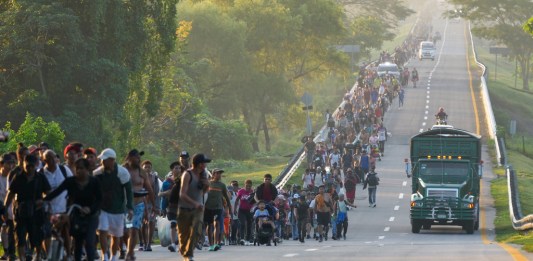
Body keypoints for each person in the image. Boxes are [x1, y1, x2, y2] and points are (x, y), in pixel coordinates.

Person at [44, 158, 102, 261]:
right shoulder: (70, 181)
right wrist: (43, 200)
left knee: (89, 241)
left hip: (91, 215)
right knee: (78, 241)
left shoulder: (94, 182)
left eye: (81, 168)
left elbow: (99, 200)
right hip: (76, 214)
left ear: (87, 169)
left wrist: (90, 209)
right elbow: (57, 192)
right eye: (77, 168)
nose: (78, 170)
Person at [4, 154, 51, 261]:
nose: (29, 168)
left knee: (37, 237)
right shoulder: (18, 177)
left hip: (37, 211)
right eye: (27, 165)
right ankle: (22, 258)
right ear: (24, 163)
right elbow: (10, 194)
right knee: (20, 237)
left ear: (36, 165)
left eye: (31, 166)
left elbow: (49, 193)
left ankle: (38, 256)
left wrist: (43, 201)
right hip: (21, 211)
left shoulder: (40, 178)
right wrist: (5, 208)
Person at [94, 148, 134, 261]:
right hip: (103, 208)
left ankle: (113, 256)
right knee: (102, 230)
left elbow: (129, 190)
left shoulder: (122, 172)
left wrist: (130, 208)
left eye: (104, 160)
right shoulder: (98, 173)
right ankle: (105, 256)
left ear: (112, 160)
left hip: (118, 209)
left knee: (116, 235)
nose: (102, 162)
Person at [41, 150, 74, 260]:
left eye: (54, 157)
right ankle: (50, 256)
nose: (53, 160)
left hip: (63, 207)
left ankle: (68, 254)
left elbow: (72, 186)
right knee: (47, 233)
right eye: (49, 158)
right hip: (47, 209)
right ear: (45, 160)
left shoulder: (64, 170)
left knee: (65, 232)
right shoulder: (41, 173)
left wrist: (70, 204)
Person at [123, 149, 155, 261]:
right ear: (130, 158)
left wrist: (153, 207)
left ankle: (130, 253)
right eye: (136, 157)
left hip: (139, 204)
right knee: (126, 231)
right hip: (126, 205)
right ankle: (127, 248)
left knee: (134, 229)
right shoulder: (122, 170)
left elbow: (149, 190)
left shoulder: (142, 173)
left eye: (139, 157)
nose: (139, 159)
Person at [177, 153, 210, 261]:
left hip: (198, 210)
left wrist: (207, 185)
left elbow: (202, 192)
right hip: (184, 209)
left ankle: (189, 254)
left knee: (197, 229)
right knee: (183, 236)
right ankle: (185, 252)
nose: (205, 165)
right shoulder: (187, 174)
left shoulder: (204, 175)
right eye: (204, 163)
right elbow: (182, 194)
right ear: (199, 164)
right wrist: (194, 203)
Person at [204, 168, 231, 251]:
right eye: (217, 173)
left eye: (220, 173)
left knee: (217, 224)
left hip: (218, 208)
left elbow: (226, 197)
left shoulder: (222, 185)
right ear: (213, 174)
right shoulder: (207, 184)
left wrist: (229, 207)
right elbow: (202, 195)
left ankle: (216, 243)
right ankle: (211, 244)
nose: (219, 175)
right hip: (208, 208)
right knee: (209, 225)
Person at [159, 161, 181, 252]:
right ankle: (173, 244)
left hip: (182, 205)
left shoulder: (184, 179)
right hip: (171, 206)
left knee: (181, 225)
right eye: (176, 168)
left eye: (179, 168)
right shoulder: (167, 182)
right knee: (173, 224)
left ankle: (181, 243)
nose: (178, 170)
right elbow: (161, 195)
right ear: (172, 170)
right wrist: (162, 208)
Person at [140, 160, 160, 252]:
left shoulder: (154, 178)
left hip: (152, 203)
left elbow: (156, 192)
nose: (147, 168)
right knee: (144, 223)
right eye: (145, 167)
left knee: (151, 222)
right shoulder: (140, 177)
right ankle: (144, 242)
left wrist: (155, 206)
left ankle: (148, 244)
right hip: (142, 203)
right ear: (142, 168)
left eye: (149, 167)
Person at [0, 153, 16, 260]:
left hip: (10, 206)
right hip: (0, 205)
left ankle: (10, 252)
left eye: (12, 163)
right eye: (8, 163)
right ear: (1, 164)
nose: (10, 166)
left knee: (9, 229)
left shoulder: (13, 176)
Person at [234, 180, 254, 246]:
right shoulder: (241, 191)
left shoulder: (252, 192)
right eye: (247, 186)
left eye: (249, 186)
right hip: (241, 210)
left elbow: (255, 201)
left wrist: (253, 208)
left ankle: (247, 239)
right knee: (242, 223)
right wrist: (234, 209)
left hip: (249, 211)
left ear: (251, 186)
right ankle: (242, 238)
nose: (248, 187)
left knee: (249, 225)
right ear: (244, 185)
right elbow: (237, 200)